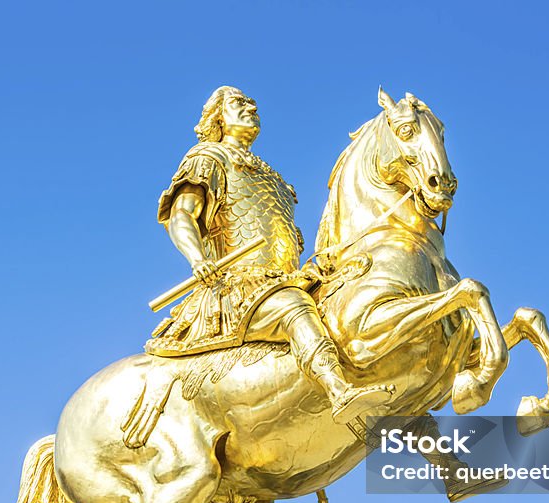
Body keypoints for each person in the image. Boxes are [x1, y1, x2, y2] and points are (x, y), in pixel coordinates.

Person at [146, 85, 391, 424]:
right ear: (217, 117)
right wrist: (198, 259)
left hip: (284, 280)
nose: (250, 107)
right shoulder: (207, 158)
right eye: (238, 103)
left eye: (252, 103)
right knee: (295, 308)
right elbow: (182, 215)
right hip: (235, 288)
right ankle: (339, 391)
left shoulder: (270, 175)